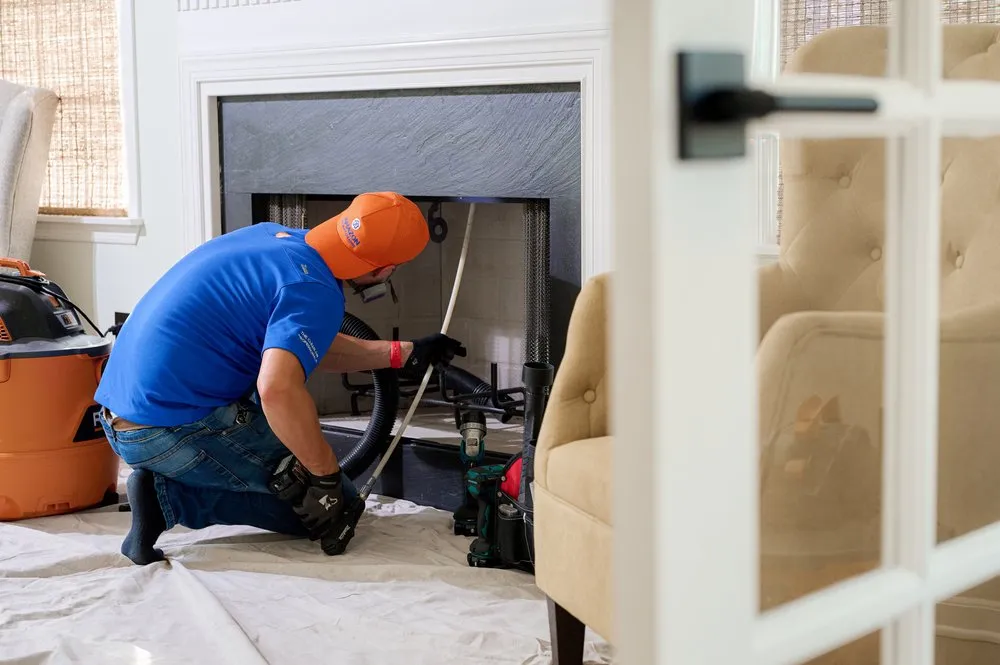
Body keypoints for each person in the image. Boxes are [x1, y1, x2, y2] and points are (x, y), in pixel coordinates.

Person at [94, 192, 466, 565]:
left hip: (119, 410)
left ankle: (178, 481)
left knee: (304, 469)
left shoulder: (271, 237)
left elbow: (297, 342)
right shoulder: (314, 290)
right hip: (163, 429)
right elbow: (276, 388)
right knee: (335, 510)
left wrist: (401, 353)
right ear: (385, 269)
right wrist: (325, 478)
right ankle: (168, 498)